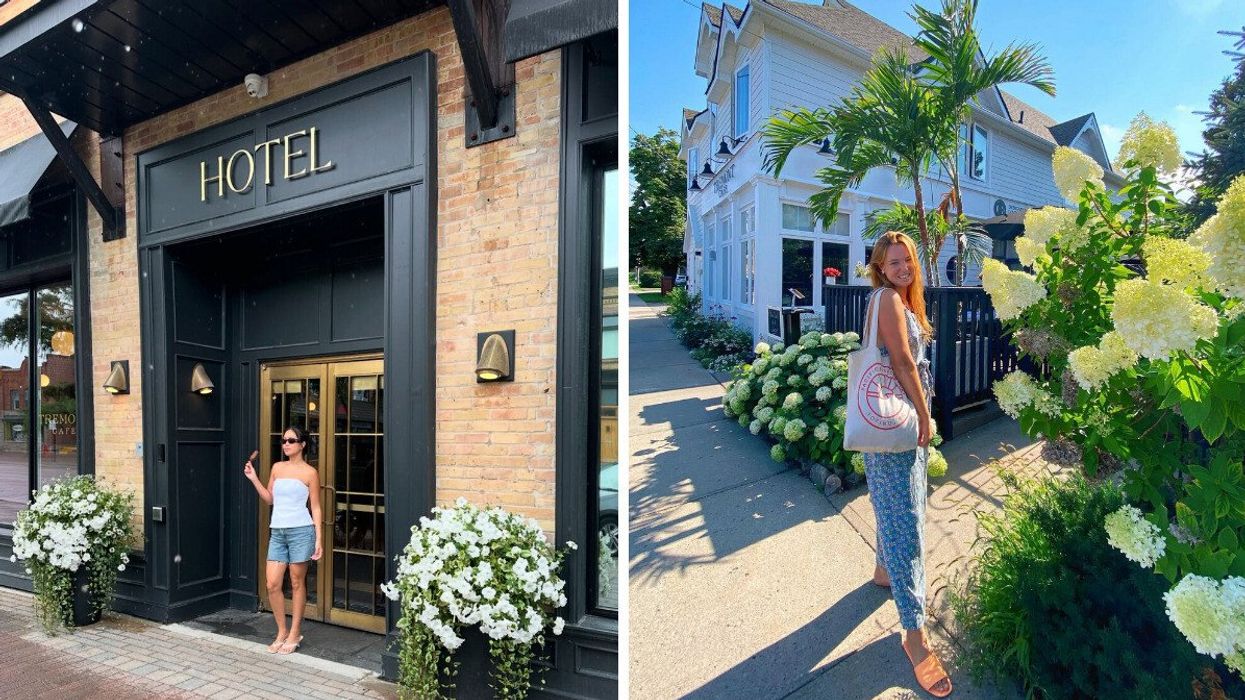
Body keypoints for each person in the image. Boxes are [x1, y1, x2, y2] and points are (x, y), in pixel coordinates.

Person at [860, 231, 951, 697]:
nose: (903, 268)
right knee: (907, 521)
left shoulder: (890, 300)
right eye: (893, 262)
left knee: (894, 502)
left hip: (887, 426)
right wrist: (925, 413)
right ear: (879, 266)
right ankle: (914, 636)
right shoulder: (890, 302)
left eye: (908, 261)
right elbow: (902, 361)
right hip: (900, 422)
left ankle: (882, 570)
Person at [244, 426, 322, 655]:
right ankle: (281, 631)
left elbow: (315, 507)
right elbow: (269, 499)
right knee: (272, 584)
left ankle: (295, 632)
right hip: (278, 532)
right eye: (283, 441)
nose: (286, 444)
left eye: (291, 440)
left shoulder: (310, 473)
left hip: (301, 531)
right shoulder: (277, 468)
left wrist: (318, 538)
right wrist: (254, 478)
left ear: (302, 444)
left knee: (297, 583)